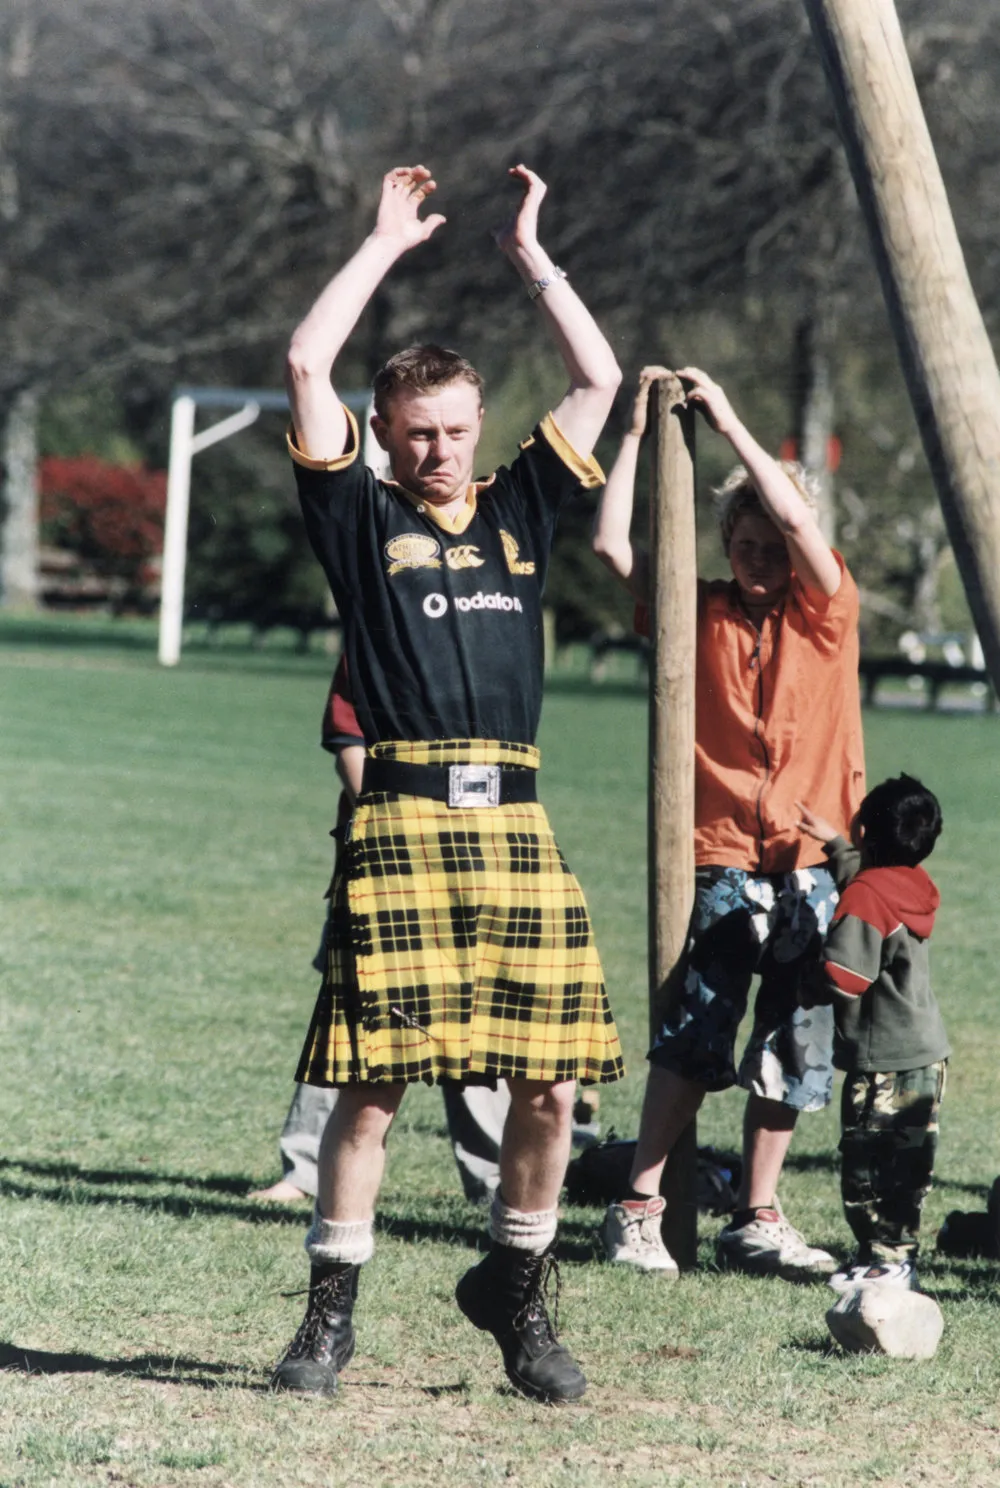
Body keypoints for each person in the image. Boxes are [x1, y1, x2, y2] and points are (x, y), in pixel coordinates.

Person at [270, 163, 625, 1404]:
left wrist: (534, 257)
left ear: (480, 426)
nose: (438, 450)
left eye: (456, 430)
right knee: (370, 1091)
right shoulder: (357, 517)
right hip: (404, 816)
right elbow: (309, 364)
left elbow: (599, 382)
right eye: (417, 431)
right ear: (386, 430)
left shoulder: (520, 501)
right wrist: (379, 246)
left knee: (554, 1080)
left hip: (515, 821)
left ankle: (518, 1300)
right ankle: (327, 1322)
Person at [592, 365, 864, 1279]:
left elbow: (800, 521)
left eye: (775, 544)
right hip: (719, 856)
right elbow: (608, 549)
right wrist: (635, 435)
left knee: (793, 1040)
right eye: (747, 543)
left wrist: (735, 424)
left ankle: (758, 1215)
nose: (764, 559)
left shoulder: (828, 612)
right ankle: (638, 1207)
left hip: (810, 860)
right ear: (725, 541)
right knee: (695, 1034)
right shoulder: (696, 611)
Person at [249, 660, 512, 1207]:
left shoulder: (487, 627)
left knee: (472, 1011)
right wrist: (398, 831)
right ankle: (307, 1171)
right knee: (351, 1014)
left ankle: (498, 1180)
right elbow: (349, 740)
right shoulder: (377, 627)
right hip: (385, 854)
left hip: (475, 855)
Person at [798, 777, 947, 1293]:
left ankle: (883, 1263)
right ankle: (896, 1256)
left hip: (882, 1059)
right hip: (925, 1052)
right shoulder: (910, 884)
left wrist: (801, 973)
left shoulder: (867, 894)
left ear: (865, 827)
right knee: (908, 1165)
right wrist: (837, 845)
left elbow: (846, 976)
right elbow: (869, 888)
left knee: (869, 1167)